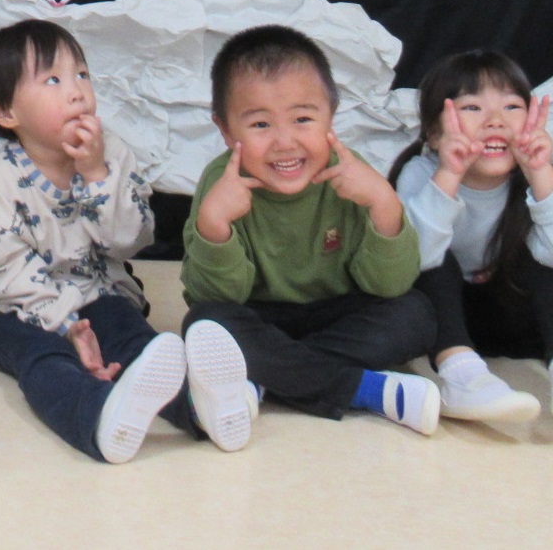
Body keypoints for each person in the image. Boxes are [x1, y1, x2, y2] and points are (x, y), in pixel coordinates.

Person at [0, 19, 253, 462]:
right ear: (5, 111)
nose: (77, 91)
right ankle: (99, 417)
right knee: (45, 361)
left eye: (82, 74)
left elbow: (132, 240)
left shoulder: (111, 152)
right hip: (17, 308)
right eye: (53, 80)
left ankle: (200, 409)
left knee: (138, 342)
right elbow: (8, 273)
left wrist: (98, 175)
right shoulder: (1, 178)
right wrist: (67, 327)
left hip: (98, 291)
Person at [182, 25, 439, 435]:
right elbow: (215, 296)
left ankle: (262, 378)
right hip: (258, 314)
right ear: (226, 130)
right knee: (205, 322)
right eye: (260, 124)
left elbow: (389, 285)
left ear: (331, 117)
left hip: (337, 312)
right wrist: (214, 227)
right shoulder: (220, 185)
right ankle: (366, 390)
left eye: (303, 119)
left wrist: (384, 205)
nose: (285, 142)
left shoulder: (353, 175)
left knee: (415, 313)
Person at [391, 50, 553, 424]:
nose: (495, 121)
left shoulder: (539, 177)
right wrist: (449, 175)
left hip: (513, 319)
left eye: (511, 107)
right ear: (434, 133)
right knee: (435, 261)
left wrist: (540, 172)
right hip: (443, 322)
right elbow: (411, 261)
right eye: (472, 108)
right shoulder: (421, 173)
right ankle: (464, 378)